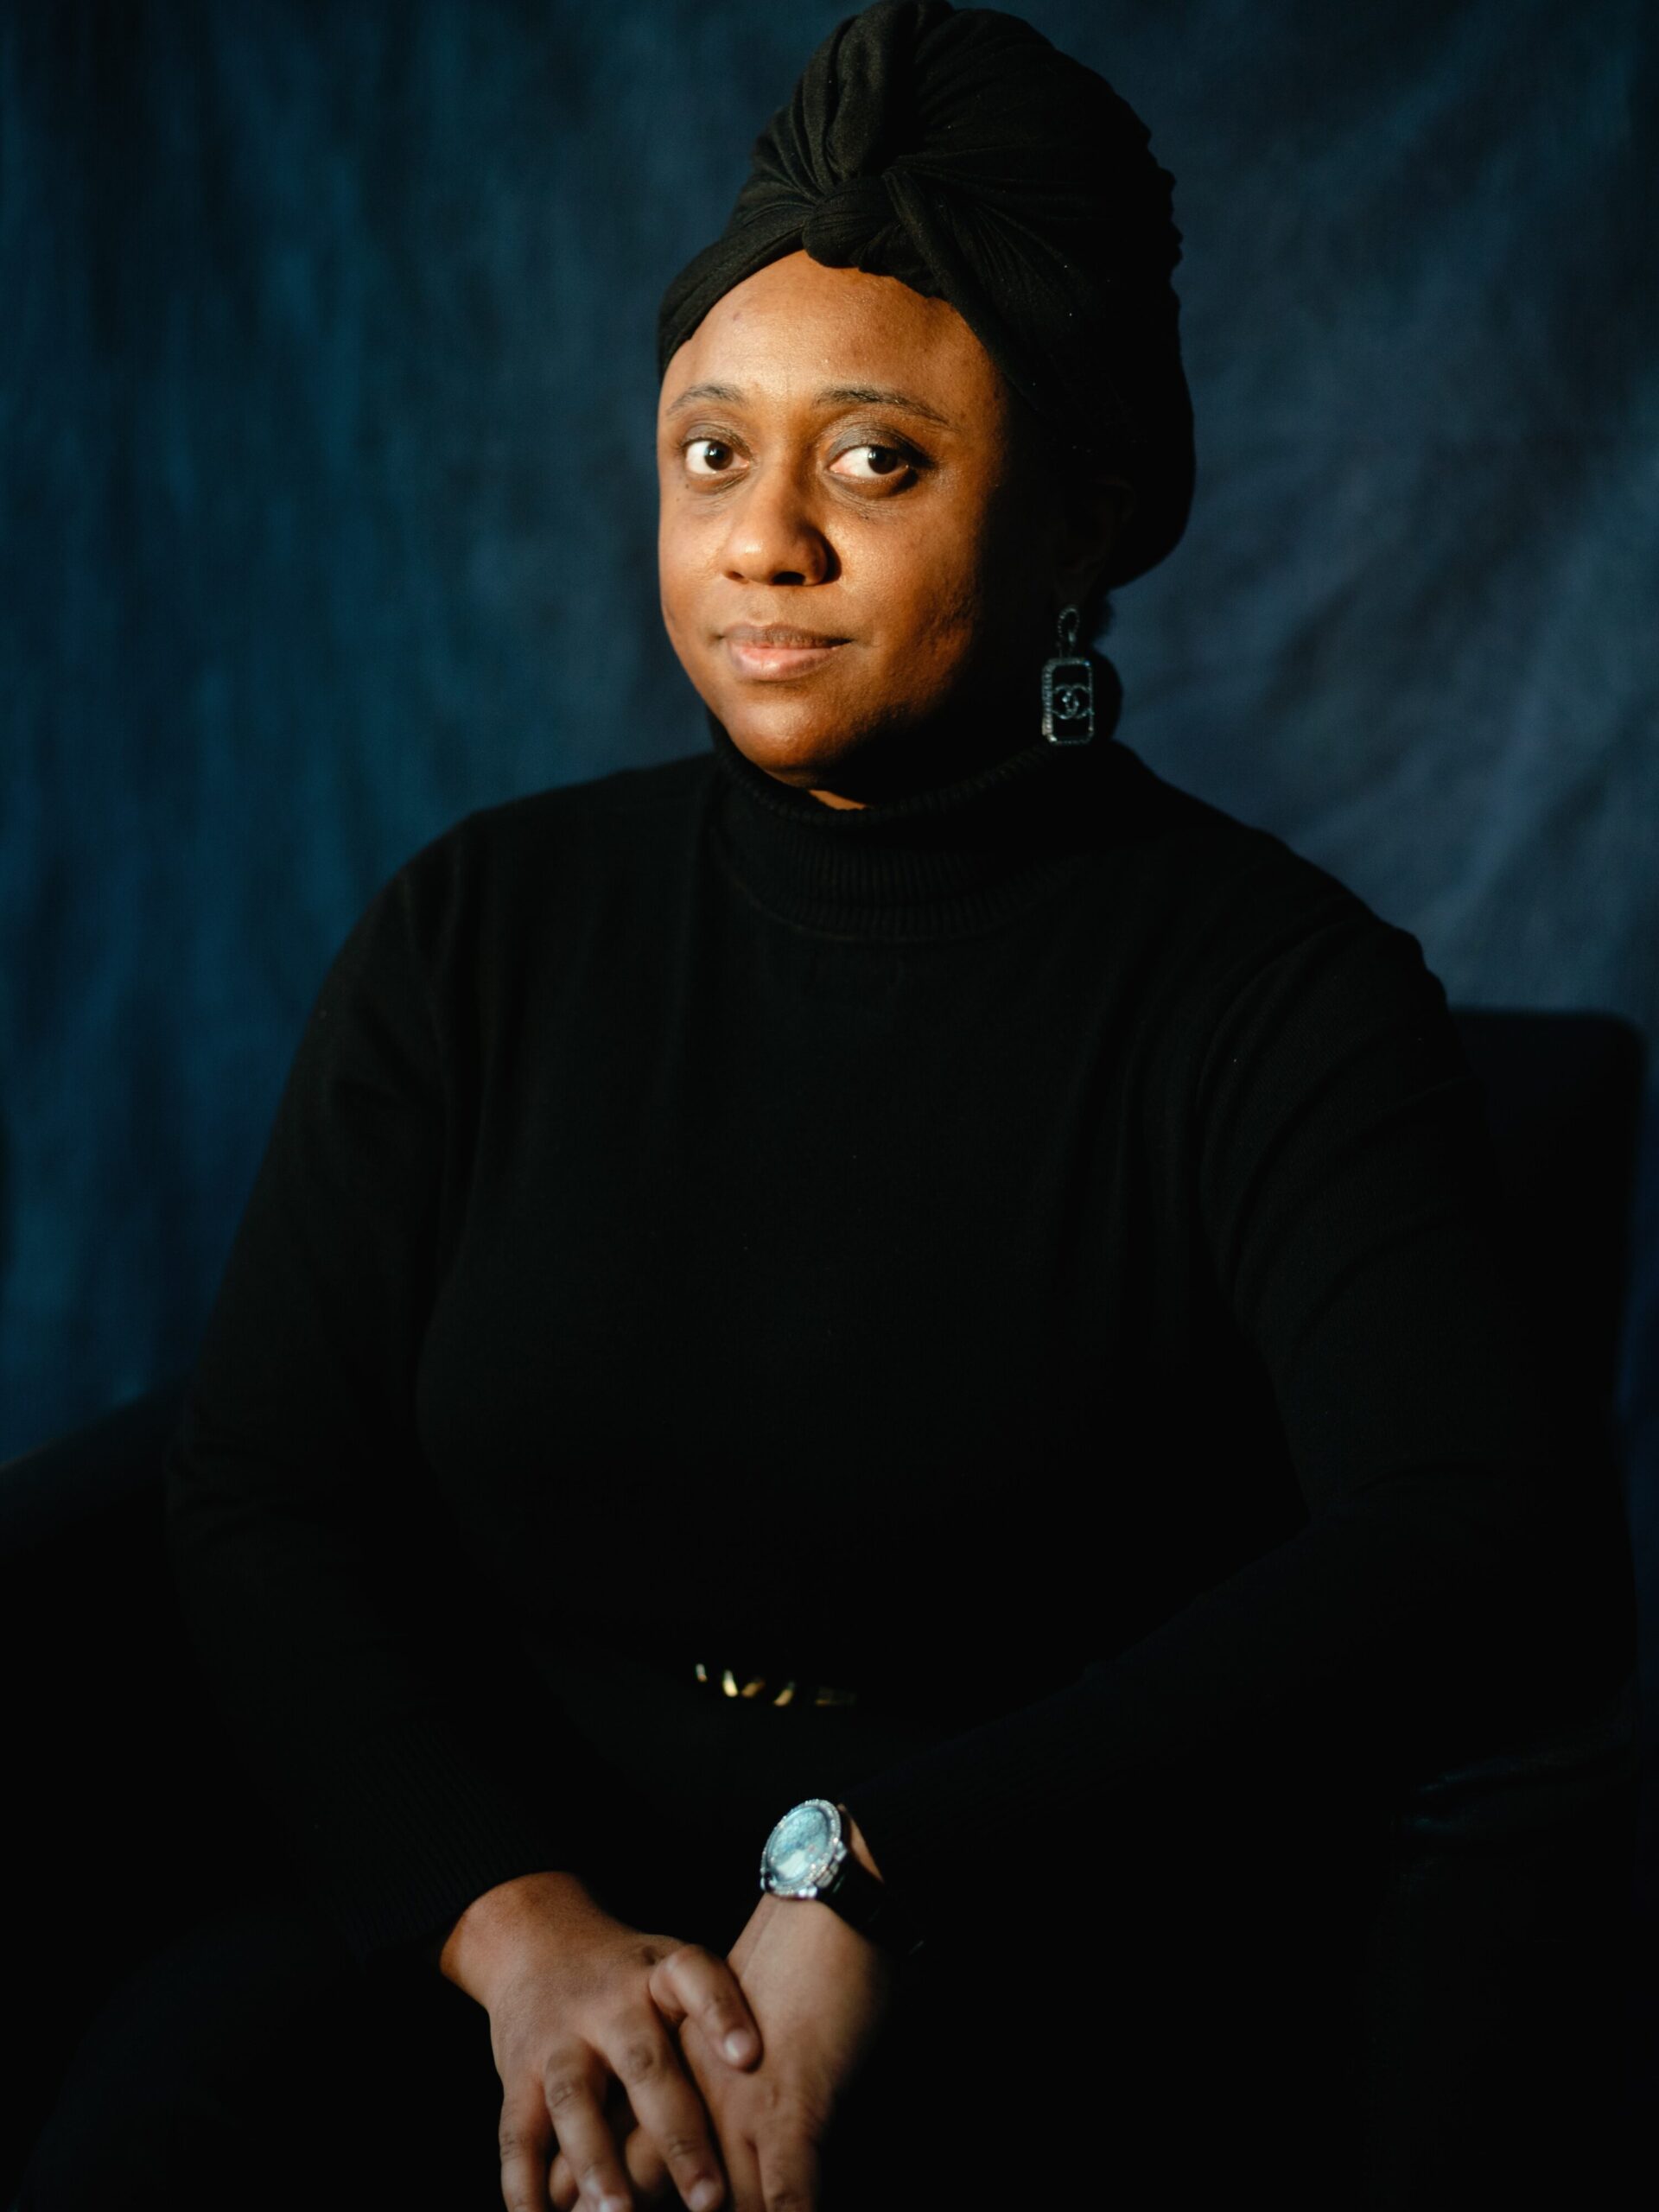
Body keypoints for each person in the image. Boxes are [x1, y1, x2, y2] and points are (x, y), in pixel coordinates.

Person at [19, 3, 1636, 2208]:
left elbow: (1470, 1541)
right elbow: (265, 1482)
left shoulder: (1277, 998)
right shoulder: (480, 927)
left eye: (874, 457)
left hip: (1024, 1928)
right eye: (711, 451)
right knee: (164, 2120)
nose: (765, 538)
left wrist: (881, 1865)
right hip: (508, 1902)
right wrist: (523, 1934)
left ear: (1083, 512)